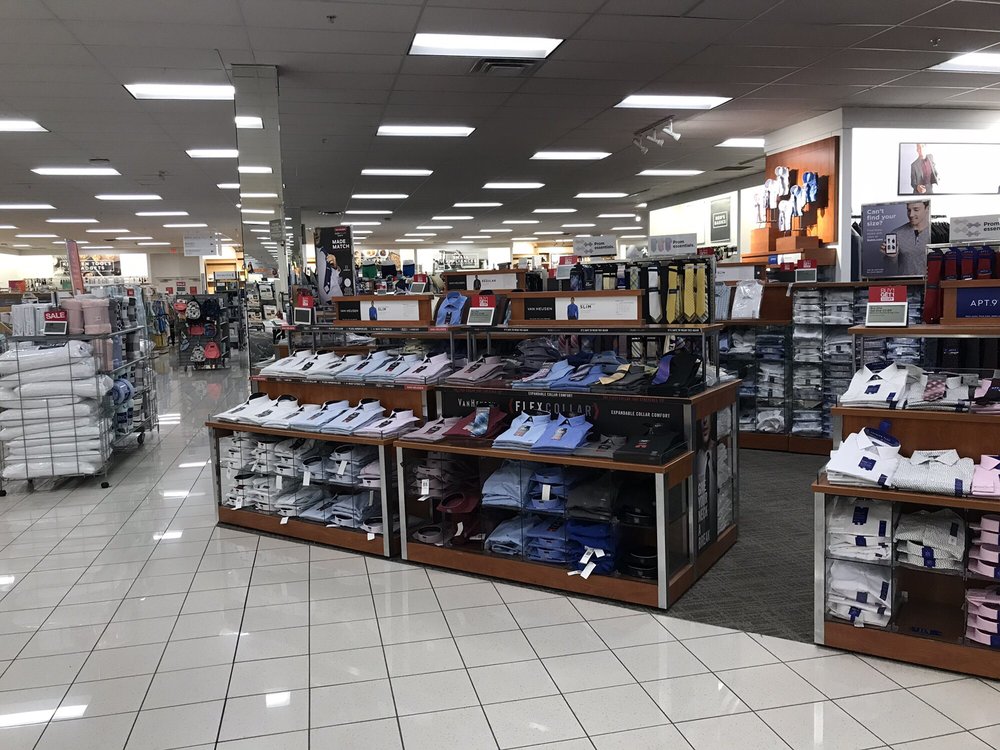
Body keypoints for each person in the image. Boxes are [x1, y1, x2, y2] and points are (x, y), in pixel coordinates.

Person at [882, 201, 931, 277]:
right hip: (905, 283)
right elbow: (888, 269)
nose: (911, 215)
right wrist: (891, 257)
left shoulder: (937, 233)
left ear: (927, 208)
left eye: (916, 210)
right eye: (908, 210)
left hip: (930, 282)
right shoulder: (896, 233)